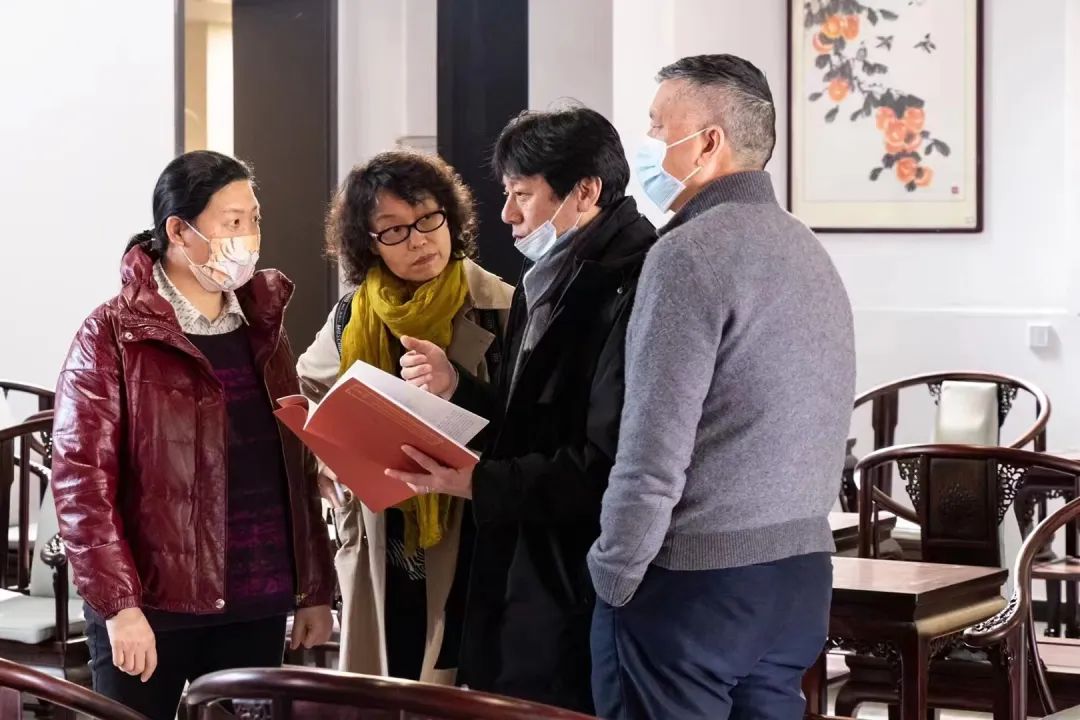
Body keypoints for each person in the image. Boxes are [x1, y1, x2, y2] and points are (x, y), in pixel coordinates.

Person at [586, 54, 856, 719]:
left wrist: (614, 572)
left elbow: (653, 446)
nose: (648, 142)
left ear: (708, 143)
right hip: (799, 580)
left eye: (658, 126)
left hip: (694, 583)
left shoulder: (687, 254)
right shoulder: (807, 250)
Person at [385, 106, 657, 713]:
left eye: (522, 195)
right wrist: (457, 386)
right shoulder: (550, 274)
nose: (507, 214)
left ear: (584, 192)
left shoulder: (636, 282)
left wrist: (478, 482)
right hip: (524, 562)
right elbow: (528, 421)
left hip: (577, 571)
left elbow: (608, 462)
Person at [51, 150, 335, 720]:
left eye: (254, 219)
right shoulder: (111, 334)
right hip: (153, 606)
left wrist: (313, 589)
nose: (249, 237)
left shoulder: (262, 329)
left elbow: (292, 468)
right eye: (232, 222)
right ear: (179, 231)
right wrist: (120, 606)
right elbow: (82, 486)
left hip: (257, 599)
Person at [296, 150, 513, 683]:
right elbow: (306, 390)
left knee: (450, 685)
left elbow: (525, 426)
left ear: (450, 218)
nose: (418, 240)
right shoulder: (353, 313)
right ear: (368, 243)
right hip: (379, 526)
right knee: (381, 680)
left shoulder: (501, 307)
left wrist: (454, 386)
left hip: (466, 528)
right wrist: (322, 458)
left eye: (428, 219)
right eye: (394, 230)